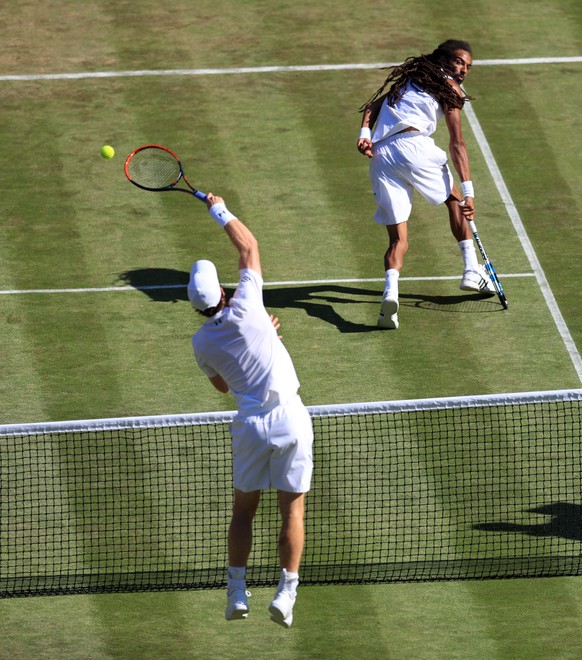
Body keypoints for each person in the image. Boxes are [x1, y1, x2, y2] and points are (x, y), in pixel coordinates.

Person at [188, 193, 314, 629]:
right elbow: (249, 247)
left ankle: (237, 591)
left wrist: (264, 340)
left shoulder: (201, 344)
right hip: (291, 421)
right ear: (223, 292)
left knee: (244, 511)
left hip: (250, 429)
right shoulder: (249, 306)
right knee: (292, 511)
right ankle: (287, 593)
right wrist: (218, 208)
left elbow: (225, 385)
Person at [357, 39, 494, 330]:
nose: (464, 70)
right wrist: (469, 192)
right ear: (443, 59)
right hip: (413, 147)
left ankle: (389, 301)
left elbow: (372, 106)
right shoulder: (450, 90)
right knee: (454, 198)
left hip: (382, 156)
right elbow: (457, 144)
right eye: (459, 62)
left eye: (468, 66)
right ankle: (471, 269)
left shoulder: (410, 78)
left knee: (397, 240)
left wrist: (364, 133)